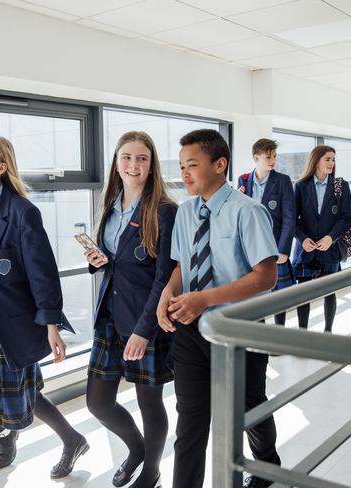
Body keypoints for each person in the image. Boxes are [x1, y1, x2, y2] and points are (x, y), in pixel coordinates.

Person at [0, 134, 88, 487]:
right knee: (28, 392)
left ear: (0, 167)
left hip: (13, 322)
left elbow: (44, 274)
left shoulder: (23, 212)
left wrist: (51, 324)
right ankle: (73, 439)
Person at [157, 129, 281, 488]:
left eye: (192, 165)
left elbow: (266, 275)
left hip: (239, 330)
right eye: (181, 166)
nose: (185, 174)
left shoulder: (248, 211)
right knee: (191, 423)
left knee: (249, 409)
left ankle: (267, 467)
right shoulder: (185, 213)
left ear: (220, 164)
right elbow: (182, 265)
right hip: (191, 330)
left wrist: (206, 299)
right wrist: (169, 292)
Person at [85, 131, 176, 488]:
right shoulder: (111, 204)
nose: (133, 165)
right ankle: (137, 449)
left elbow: (164, 278)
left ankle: (151, 470)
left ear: (152, 166)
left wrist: (144, 330)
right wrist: (98, 261)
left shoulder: (165, 211)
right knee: (98, 403)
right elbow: (116, 260)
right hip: (109, 314)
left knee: (149, 403)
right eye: (126, 157)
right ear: (116, 163)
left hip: (145, 319)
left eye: (141, 158)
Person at [293, 145, 351, 332]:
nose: (331, 163)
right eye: (327, 159)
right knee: (303, 294)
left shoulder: (340, 185)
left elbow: (347, 217)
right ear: (316, 160)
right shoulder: (301, 186)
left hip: (330, 249)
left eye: (333, 159)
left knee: (330, 292)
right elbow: (292, 219)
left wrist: (331, 238)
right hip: (306, 249)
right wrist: (302, 239)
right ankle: (302, 333)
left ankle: (328, 332)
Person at [237, 138, 295, 325]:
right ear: (256, 157)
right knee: (254, 293)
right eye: (268, 157)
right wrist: (236, 198)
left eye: (274, 156)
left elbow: (289, 217)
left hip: (275, 245)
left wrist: (284, 249)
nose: (273, 160)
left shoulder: (282, 180)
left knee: (279, 296)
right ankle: (257, 336)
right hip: (250, 246)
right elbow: (240, 215)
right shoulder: (243, 179)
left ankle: (277, 337)